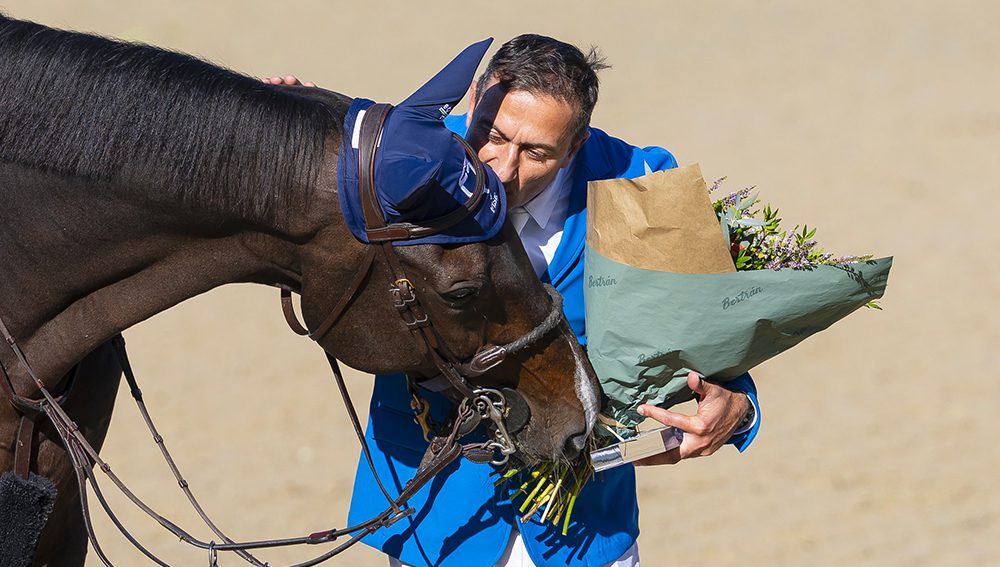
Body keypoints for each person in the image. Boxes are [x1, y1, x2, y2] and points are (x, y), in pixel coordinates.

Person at [270, 34, 760, 567]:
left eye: (536, 152)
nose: (503, 168)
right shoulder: (403, 167)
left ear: (575, 144)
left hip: (584, 528)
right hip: (436, 515)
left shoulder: (639, 182)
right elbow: (308, 198)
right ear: (473, 96)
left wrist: (736, 401)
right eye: (492, 134)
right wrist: (286, 133)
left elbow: (703, 323)